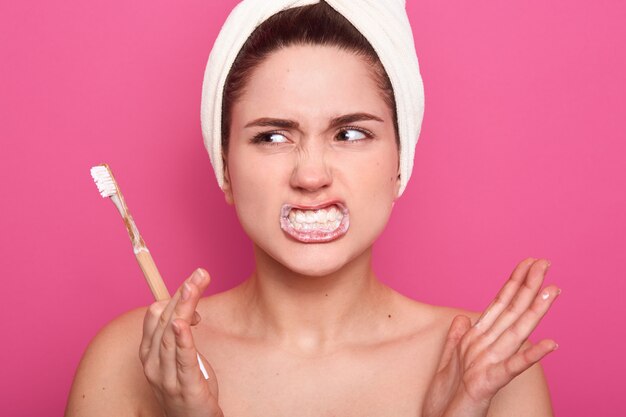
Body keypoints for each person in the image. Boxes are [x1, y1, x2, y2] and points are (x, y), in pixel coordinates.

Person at [65, 1, 559, 416]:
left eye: (349, 134)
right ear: (225, 170)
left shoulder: (492, 369)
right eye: (273, 136)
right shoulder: (129, 360)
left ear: (400, 164)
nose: (310, 175)